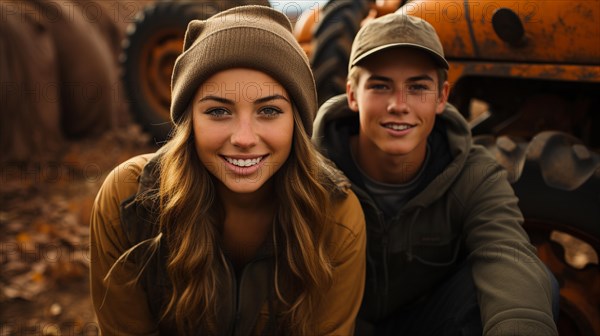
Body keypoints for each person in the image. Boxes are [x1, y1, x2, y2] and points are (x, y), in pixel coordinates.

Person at [90, 5, 366, 335]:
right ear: (189, 120)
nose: (244, 139)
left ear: (297, 120)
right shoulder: (128, 201)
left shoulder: (336, 216)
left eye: (269, 110)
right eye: (219, 111)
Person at [312, 12, 559, 335]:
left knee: (534, 283)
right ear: (352, 95)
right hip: (333, 324)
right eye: (381, 86)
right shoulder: (310, 172)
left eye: (417, 87)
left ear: (442, 97)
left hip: (426, 322)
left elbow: (505, 253)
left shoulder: (472, 173)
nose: (399, 105)